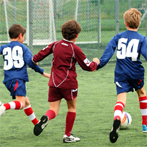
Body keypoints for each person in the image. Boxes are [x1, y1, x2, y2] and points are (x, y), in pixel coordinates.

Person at [32, 19, 99, 143]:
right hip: (68, 83)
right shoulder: (75, 49)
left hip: (53, 82)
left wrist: (35, 59)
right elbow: (88, 67)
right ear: (77, 35)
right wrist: (96, 62)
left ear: (62, 32)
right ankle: (67, 135)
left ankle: (47, 117)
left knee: (53, 110)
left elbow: (41, 53)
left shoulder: (55, 44)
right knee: (72, 108)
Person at [93, 8, 147, 143]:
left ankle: (117, 117)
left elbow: (105, 57)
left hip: (121, 74)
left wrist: (97, 65)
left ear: (125, 23)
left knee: (121, 100)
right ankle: (145, 125)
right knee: (142, 93)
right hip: (136, 73)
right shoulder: (142, 39)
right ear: (139, 23)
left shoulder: (117, 37)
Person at [0, 24, 50, 128]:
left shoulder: (3, 47)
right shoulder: (23, 48)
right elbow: (31, 63)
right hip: (18, 79)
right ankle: (3, 107)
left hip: (8, 80)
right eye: (24, 36)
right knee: (21, 104)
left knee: (26, 101)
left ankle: (36, 124)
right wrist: (42, 72)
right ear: (20, 36)